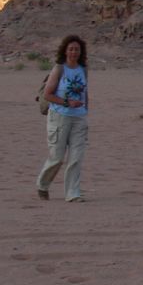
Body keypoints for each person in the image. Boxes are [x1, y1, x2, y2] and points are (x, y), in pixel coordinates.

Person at [36, 34, 89, 202]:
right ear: (65, 51)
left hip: (79, 119)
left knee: (76, 157)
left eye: (77, 49)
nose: (74, 52)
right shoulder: (59, 69)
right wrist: (67, 102)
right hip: (59, 117)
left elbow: (85, 91)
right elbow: (48, 94)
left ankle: (73, 194)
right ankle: (42, 184)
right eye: (71, 49)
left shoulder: (83, 69)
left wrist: (85, 108)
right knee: (57, 157)